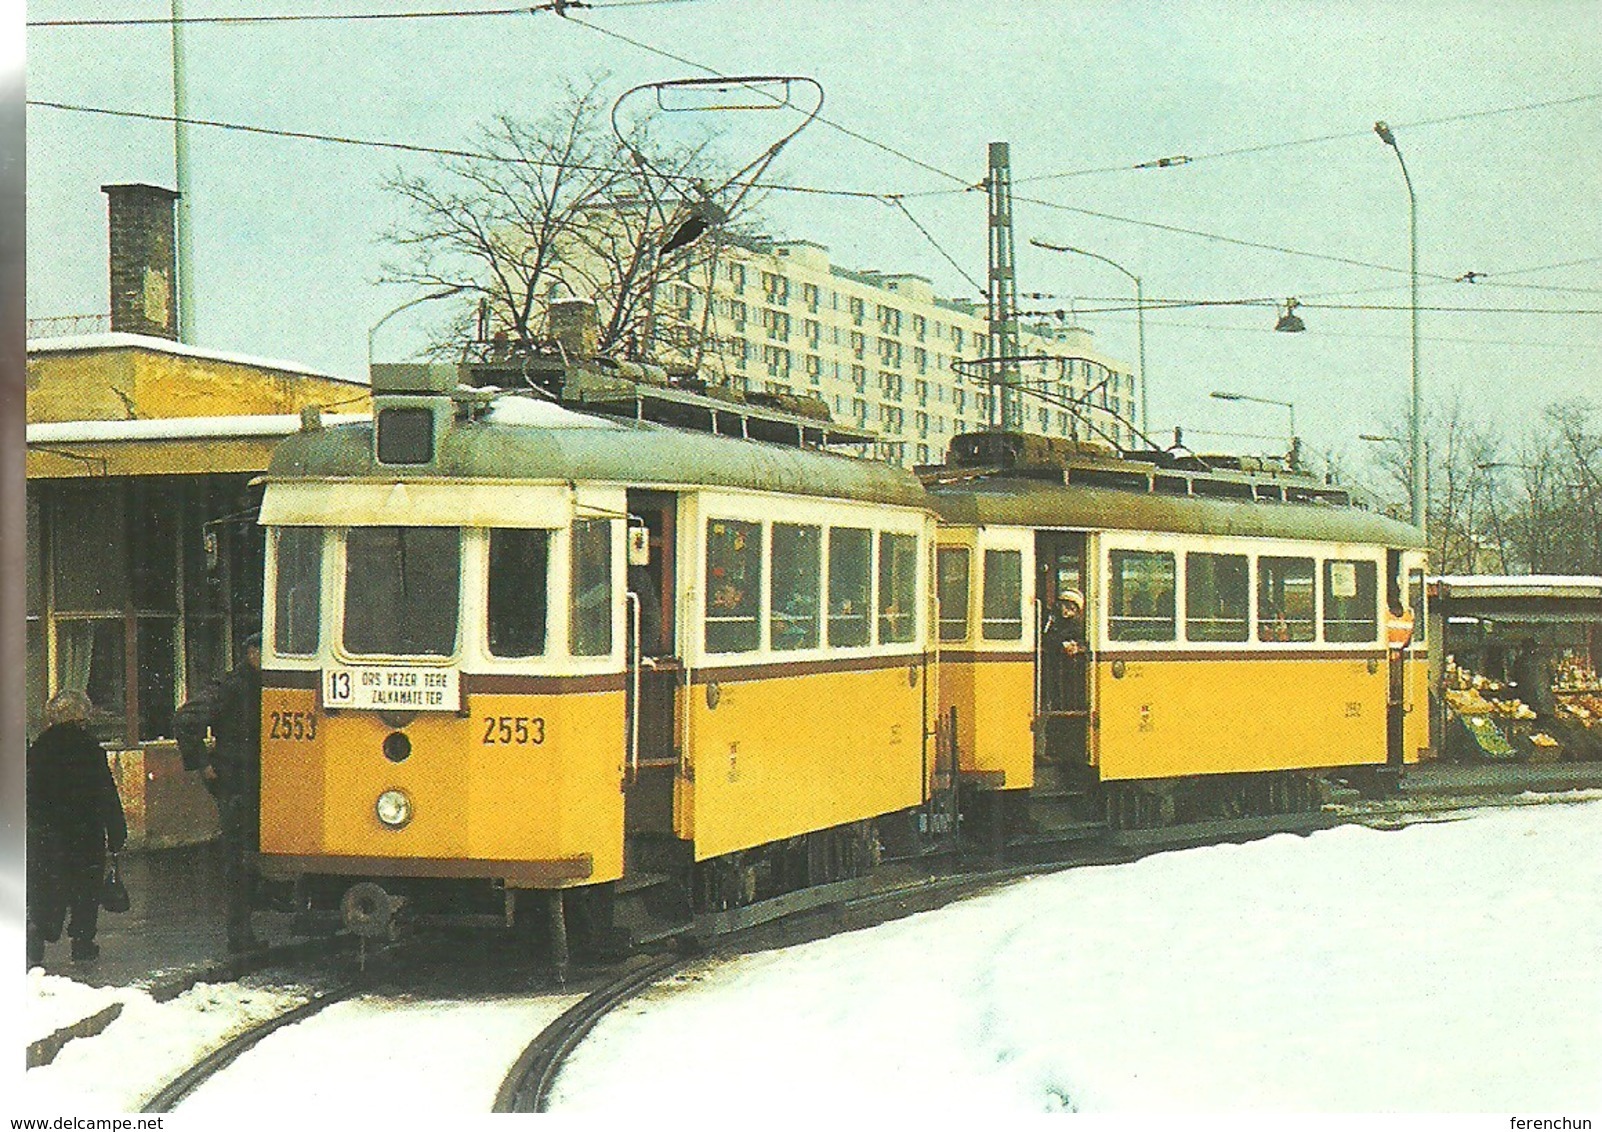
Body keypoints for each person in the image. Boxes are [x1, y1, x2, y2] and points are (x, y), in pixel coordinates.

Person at [27, 689, 128, 966]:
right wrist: (116, 830)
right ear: (81, 714)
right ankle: (82, 943)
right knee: (85, 888)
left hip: (48, 834)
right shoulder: (88, 747)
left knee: (47, 886)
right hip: (85, 833)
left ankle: (38, 934)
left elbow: (29, 792)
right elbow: (106, 791)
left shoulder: (39, 748)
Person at [183, 633, 264, 952]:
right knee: (240, 857)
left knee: (250, 856)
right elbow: (186, 719)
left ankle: (244, 931)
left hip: (257, 779)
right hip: (237, 779)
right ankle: (239, 934)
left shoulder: (262, 684)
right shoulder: (231, 686)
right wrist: (202, 764)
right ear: (250, 652)